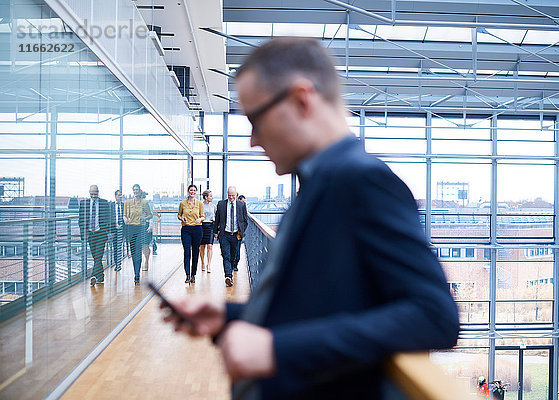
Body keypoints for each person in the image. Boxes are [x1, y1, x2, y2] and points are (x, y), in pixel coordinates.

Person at [162, 37, 459, 399]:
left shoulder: (362, 180)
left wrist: (276, 349)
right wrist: (231, 317)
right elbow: (317, 304)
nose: (253, 140)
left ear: (302, 99)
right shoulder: (321, 183)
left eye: (255, 119)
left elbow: (434, 316)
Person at [213, 186, 248, 286]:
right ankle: (228, 276)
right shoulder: (221, 204)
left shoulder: (242, 204)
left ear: (236, 195)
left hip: (236, 235)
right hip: (225, 234)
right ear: (227, 194)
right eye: (229, 195)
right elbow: (217, 219)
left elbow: (245, 220)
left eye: (233, 195)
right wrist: (215, 232)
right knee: (226, 256)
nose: (231, 197)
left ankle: (231, 271)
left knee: (233, 256)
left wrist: (241, 231)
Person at [78, 185, 112, 286]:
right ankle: (100, 276)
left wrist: (109, 231)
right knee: (96, 257)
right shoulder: (84, 203)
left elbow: (109, 218)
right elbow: (81, 219)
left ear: (98, 192)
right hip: (90, 234)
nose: (93, 196)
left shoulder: (104, 203)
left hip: (101, 233)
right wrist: (83, 232)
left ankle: (93, 276)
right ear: (89, 193)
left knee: (98, 255)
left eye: (95, 194)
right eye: (92, 194)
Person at [124, 184, 151, 285]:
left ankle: (137, 274)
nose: (135, 192)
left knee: (138, 251)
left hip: (140, 228)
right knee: (133, 252)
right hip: (131, 228)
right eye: (134, 190)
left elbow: (150, 215)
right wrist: (126, 220)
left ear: (140, 191)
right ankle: (135, 271)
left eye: (137, 190)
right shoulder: (127, 202)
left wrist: (144, 218)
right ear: (133, 191)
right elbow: (124, 215)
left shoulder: (144, 203)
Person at [178, 184, 204, 283]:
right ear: (188, 191)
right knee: (187, 252)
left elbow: (203, 216)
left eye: (194, 190)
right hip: (186, 229)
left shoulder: (200, 203)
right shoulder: (182, 203)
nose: (192, 192)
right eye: (191, 190)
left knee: (195, 252)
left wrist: (199, 219)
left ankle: (193, 274)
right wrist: (182, 218)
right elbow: (179, 215)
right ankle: (187, 275)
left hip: (197, 229)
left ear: (196, 192)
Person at [200, 190, 216, 273]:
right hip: (202, 226)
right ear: (206, 197)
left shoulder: (213, 206)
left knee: (210, 245)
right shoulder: (200, 205)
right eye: (210, 196)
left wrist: (216, 231)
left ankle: (209, 264)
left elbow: (216, 217)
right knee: (202, 246)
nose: (212, 197)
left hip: (210, 226)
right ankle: (203, 262)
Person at [110, 189, 125, 272]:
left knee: (120, 247)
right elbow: (109, 218)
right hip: (114, 229)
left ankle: (119, 264)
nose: (120, 197)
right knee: (115, 247)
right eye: (118, 195)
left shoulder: (124, 205)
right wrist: (111, 231)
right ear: (115, 196)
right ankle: (117, 264)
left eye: (121, 195)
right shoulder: (111, 205)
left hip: (122, 229)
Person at [233, 194, 247, 271]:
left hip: (239, 232)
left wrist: (242, 230)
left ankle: (235, 264)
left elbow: (245, 219)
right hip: (231, 231)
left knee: (237, 249)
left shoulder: (242, 206)